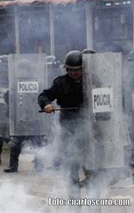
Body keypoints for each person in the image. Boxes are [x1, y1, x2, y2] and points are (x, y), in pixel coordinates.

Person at [38, 50, 84, 198]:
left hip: (92, 132)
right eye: (71, 70)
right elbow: (44, 95)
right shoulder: (60, 83)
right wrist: (46, 105)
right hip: (69, 131)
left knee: (94, 171)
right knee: (72, 169)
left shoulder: (93, 80)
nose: (74, 73)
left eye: (77, 70)